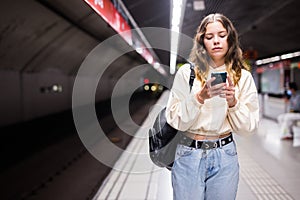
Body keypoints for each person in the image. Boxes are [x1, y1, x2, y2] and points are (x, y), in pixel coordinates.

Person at [166, 13, 259, 200]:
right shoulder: (187, 74)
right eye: (209, 37)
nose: (216, 41)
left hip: (225, 155)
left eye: (222, 35)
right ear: (202, 42)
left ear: (230, 38)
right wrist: (200, 97)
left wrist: (233, 103)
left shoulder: (243, 78)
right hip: (188, 154)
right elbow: (175, 120)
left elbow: (249, 128)